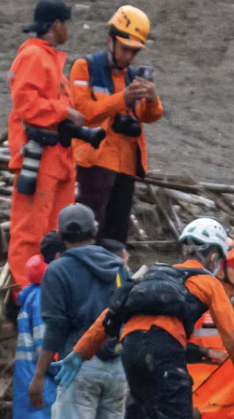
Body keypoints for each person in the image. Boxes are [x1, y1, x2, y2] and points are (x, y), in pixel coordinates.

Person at [66, 217, 234, 419]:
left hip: (129, 349)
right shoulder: (209, 282)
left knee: (154, 417)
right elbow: (232, 336)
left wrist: (79, 353)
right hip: (163, 348)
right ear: (212, 256)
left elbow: (109, 316)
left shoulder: (153, 275)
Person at [35, 204, 131, 419]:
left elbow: (56, 327)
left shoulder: (57, 270)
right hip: (117, 366)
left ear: (60, 235)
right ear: (94, 231)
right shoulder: (118, 267)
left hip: (78, 366)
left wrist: (39, 374)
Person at [69, 6, 163, 247]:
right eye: (125, 49)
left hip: (126, 167)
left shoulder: (133, 77)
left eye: (134, 51)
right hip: (95, 163)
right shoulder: (85, 66)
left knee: (116, 239)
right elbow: (83, 113)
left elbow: (150, 116)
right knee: (90, 235)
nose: (129, 56)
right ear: (110, 40)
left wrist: (152, 98)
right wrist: (123, 98)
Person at [8, 1, 85, 286]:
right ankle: (24, 295)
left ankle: (50, 290)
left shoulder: (49, 58)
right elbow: (27, 105)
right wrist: (65, 112)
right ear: (56, 25)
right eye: (66, 23)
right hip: (39, 158)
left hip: (58, 159)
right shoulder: (33, 56)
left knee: (55, 232)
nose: (68, 29)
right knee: (30, 232)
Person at [13, 254, 58, 419]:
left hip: (31, 380)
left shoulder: (30, 296)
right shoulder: (43, 299)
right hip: (45, 388)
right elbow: (45, 345)